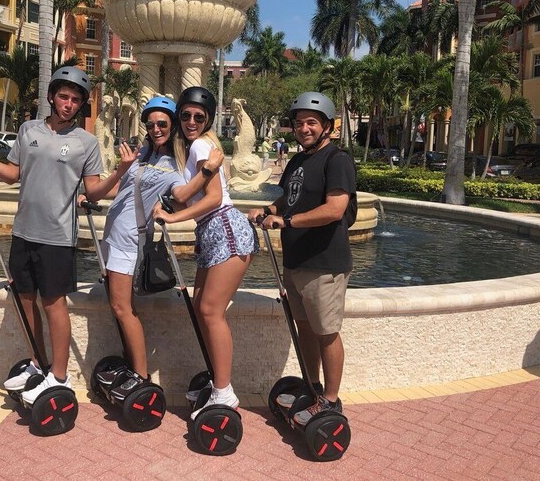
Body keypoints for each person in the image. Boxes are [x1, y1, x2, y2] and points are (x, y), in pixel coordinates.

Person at [0, 66, 137, 406]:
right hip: (24, 232)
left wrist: (121, 171)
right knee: (25, 300)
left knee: (53, 305)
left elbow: (94, 192)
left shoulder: (86, 143)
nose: (69, 104)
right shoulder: (28, 131)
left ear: (81, 105)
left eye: (76, 100)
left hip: (58, 237)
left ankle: (59, 375)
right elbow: (12, 175)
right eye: (64, 96)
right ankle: (39, 365)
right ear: (52, 97)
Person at [94, 96, 224, 401]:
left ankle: (140, 376)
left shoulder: (177, 165)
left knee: (122, 308)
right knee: (122, 308)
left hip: (130, 241)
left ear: (173, 124)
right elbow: (119, 189)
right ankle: (133, 367)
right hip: (113, 236)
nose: (155, 129)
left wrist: (207, 172)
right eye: (150, 124)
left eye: (162, 123)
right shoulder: (143, 156)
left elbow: (182, 194)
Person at [248, 91, 356, 426]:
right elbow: (288, 199)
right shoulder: (297, 161)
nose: (304, 128)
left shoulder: (337, 160)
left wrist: (288, 221)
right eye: (298, 123)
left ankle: (331, 402)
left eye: (311, 122)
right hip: (296, 260)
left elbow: (335, 208)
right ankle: (313, 388)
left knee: (326, 333)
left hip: (324, 261)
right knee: (306, 329)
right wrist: (269, 209)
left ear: (327, 127)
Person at [153, 86, 259, 420]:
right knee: (202, 307)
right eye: (185, 115)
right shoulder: (194, 151)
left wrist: (171, 216)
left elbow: (212, 199)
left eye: (199, 116)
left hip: (224, 228)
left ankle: (224, 393)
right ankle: (217, 381)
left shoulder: (201, 145)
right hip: (211, 232)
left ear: (208, 119)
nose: (191, 121)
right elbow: (188, 194)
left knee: (211, 311)